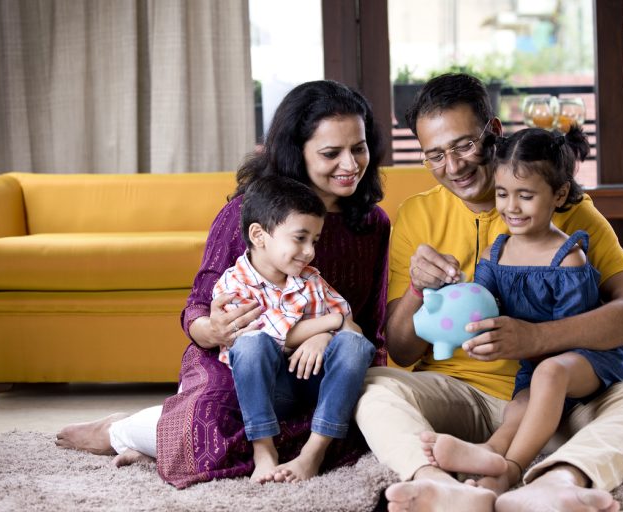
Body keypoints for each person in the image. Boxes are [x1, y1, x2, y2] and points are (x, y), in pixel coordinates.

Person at [352, 73, 623, 512]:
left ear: (495, 131)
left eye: (464, 145)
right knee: (372, 385)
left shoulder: (565, 209)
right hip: (456, 394)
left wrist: (536, 338)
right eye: (436, 155)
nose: (454, 166)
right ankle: (437, 483)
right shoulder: (416, 215)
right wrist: (416, 291)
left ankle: (557, 481)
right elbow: (403, 351)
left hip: (557, 402)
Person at [55, 79, 391, 489]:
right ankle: (121, 432)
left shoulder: (373, 224)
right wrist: (214, 329)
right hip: (238, 361)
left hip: (321, 367)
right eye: (331, 153)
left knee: (357, 427)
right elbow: (197, 309)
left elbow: (369, 323)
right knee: (213, 428)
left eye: (359, 148)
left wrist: (340, 347)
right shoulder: (246, 214)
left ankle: (154, 438)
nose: (350, 164)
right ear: (297, 152)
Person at [420, 126, 623, 494]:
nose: (511, 207)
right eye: (502, 194)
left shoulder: (568, 259)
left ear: (559, 194)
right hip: (534, 365)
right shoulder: (495, 254)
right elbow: (481, 305)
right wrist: (452, 295)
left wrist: (529, 344)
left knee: (549, 374)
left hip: (587, 361)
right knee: (518, 408)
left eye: (526, 196)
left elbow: (575, 334)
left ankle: (511, 469)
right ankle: (490, 453)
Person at [214, 175, 376, 483]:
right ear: (259, 235)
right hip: (268, 390)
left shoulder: (311, 280)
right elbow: (270, 334)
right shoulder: (233, 285)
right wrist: (329, 323)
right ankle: (264, 451)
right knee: (252, 344)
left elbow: (353, 332)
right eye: (300, 238)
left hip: (316, 383)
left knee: (353, 346)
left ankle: (313, 453)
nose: (309, 251)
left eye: (314, 240)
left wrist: (325, 337)